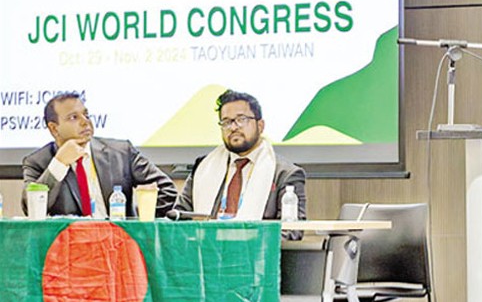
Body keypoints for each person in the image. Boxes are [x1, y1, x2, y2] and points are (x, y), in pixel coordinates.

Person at [22, 92, 177, 218]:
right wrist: (59, 163)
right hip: (70, 249)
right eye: (73, 117)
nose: (85, 122)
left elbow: (167, 190)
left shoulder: (121, 152)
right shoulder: (38, 162)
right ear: (54, 129)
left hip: (120, 245)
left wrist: (136, 226)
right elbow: (31, 209)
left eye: (86, 115)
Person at [174, 89, 306, 227]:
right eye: (226, 122)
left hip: (257, 248)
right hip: (207, 246)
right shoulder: (203, 167)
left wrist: (244, 242)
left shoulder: (285, 174)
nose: (233, 127)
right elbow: (179, 218)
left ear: (260, 126)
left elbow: (292, 231)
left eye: (241, 119)